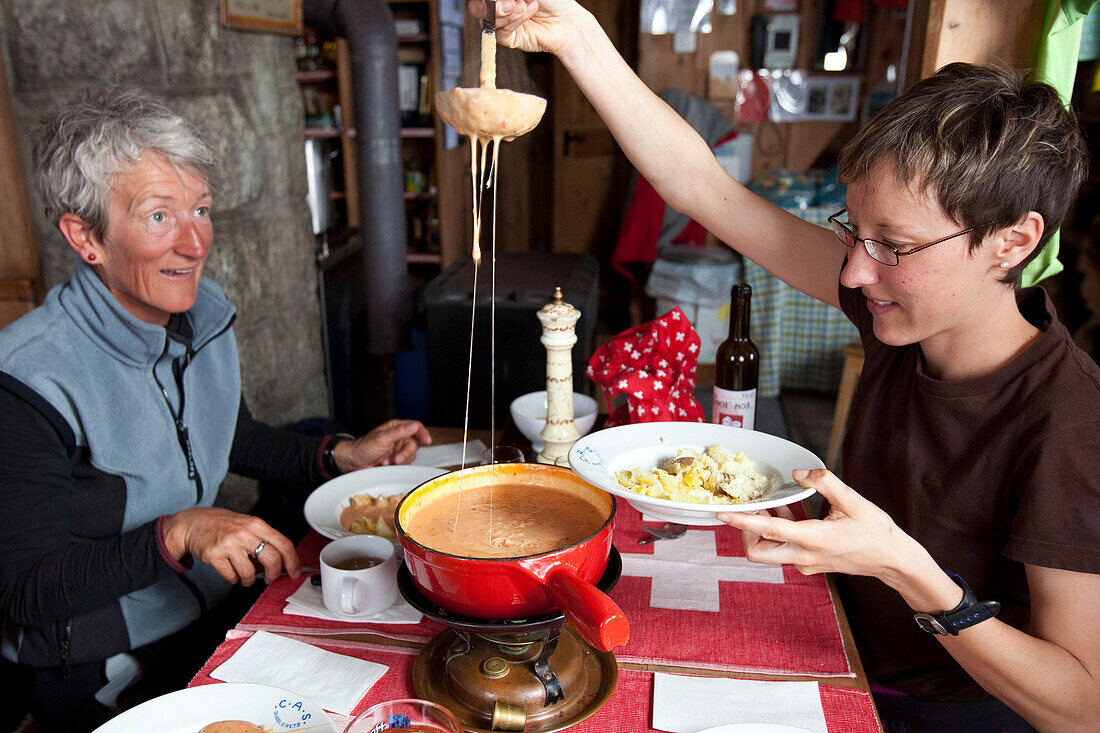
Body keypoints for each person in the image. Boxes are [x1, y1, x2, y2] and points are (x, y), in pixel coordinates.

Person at [482, 2, 1100, 731]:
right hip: (836, 637)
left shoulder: (1071, 419)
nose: (859, 273)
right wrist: (578, 35)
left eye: (893, 244)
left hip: (949, 710)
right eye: (854, 233)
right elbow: (703, 189)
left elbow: (1080, 702)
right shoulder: (899, 316)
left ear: (1012, 240)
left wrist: (905, 567)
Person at [0, 86, 431, 732]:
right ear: (85, 236)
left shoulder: (198, 312)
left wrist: (343, 454)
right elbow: (27, 590)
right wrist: (179, 532)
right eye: (158, 217)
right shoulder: (28, 378)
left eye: (200, 209)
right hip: (105, 669)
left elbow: (229, 435)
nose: (195, 241)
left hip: (211, 616)